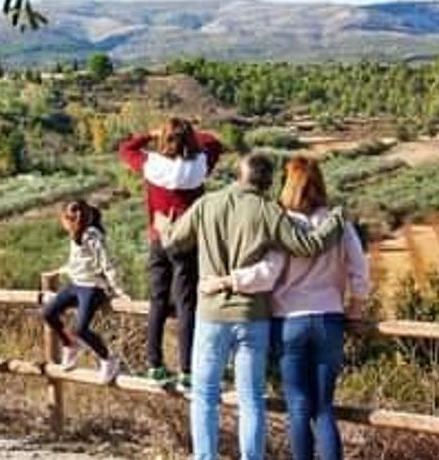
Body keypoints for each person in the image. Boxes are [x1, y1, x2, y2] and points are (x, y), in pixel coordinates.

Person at [160, 154, 344, 460]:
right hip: (253, 316)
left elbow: (174, 242)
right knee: (251, 399)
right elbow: (306, 246)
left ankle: (206, 456)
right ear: (269, 182)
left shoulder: (207, 204)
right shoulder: (269, 211)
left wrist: (166, 227)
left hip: (211, 313)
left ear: (238, 175)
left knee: (205, 395)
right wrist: (335, 221)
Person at [203, 156, 370, 460]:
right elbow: (360, 269)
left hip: (288, 322)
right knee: (323, 408)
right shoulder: (338, 223)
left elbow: (266, 274)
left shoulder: (283, 224)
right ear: (320, 183)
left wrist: (227, 281)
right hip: (329, 319)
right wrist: (356, 307)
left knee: (297, 407)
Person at [119, 117, 222, 388]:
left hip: (159, 236)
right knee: (187, 304)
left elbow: (126, 149)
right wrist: (191, 135)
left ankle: (155, 364)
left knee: (158, 301)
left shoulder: (152, 166)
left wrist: (151, 134)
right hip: (188, 240)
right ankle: (187, 370)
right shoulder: (200, 166)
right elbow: (214, 142)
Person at [39, 200, 129, 384]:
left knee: (80, 328)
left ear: (73, 220)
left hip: (92, 288)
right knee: (48, 312)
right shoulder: (75, 235)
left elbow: (107, 263)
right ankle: (70, 345)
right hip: (76, 284)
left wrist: (118, 290)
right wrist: (59, 271)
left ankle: (108, 359)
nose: (63, 224)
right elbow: (78, 262)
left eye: (64, 220)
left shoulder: (93, 236)